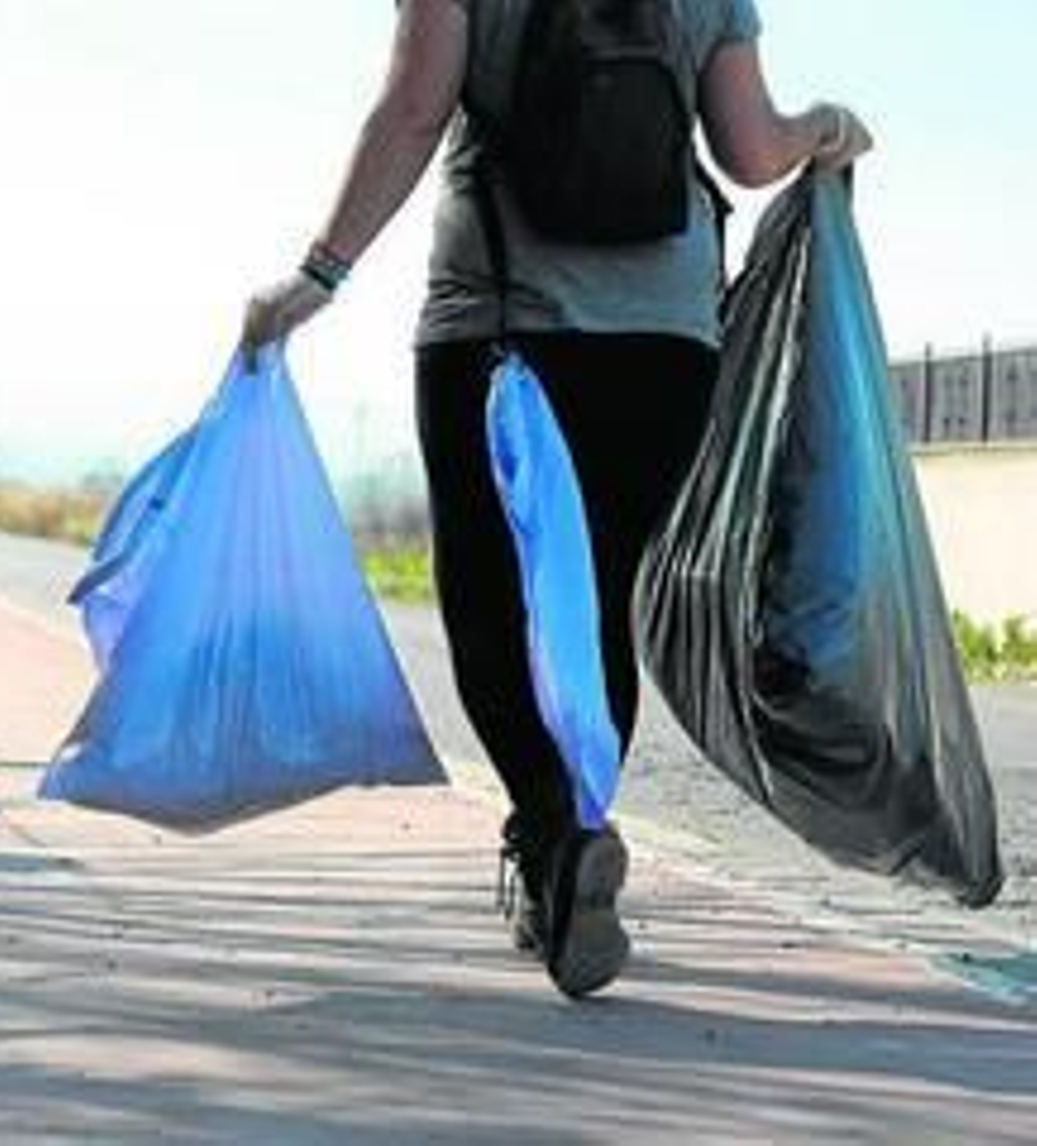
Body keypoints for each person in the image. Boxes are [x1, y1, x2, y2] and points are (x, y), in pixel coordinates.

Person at [239, 0, 871, 998]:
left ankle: (552, 834)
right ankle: (567, 839)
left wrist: (317, 276)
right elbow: (750, 151)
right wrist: (826, 126)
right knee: (598, 604)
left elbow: (413, 108)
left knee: (491, 609)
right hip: (663, 340)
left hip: (497, 323)